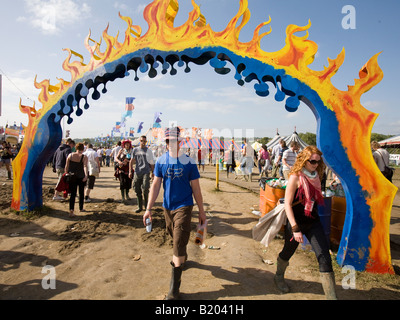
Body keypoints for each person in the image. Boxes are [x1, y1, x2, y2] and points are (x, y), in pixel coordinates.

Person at [143, 127, 207, 300]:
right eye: (168, 141)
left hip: (184, 206)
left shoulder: (190, 163)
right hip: (167, 207)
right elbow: (156, 185)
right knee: (174, 235)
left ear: (180, 142)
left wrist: (201, 211)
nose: (171, 144)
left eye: (174, 141)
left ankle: (173, 292)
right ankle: (183, 256)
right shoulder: (161, 161)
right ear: (165, 143)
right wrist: (148, 209)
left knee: (178, 241)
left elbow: (196, 188)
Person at [274, 145, 337, 299]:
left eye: (317, 161)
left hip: (313, 221)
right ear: (303, 160)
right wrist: (295, 229)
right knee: (288, 252)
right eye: (312, 161)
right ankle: (278, 276)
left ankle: (331, 297)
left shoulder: (318, 174)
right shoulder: (295, 177)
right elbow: (287, 204)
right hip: (296, 223)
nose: (315, 164)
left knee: (324, 257)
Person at [129, 135, 155, 213]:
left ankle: (147, 206)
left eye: (144, 141)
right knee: (137, 189)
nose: (143, 143)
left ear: (146, 142)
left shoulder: (149, 151)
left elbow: (151, 162)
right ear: (139, 141)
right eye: (141, 141)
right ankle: (139, 206)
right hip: (137, 172)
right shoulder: (135, 150)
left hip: (146, 172)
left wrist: (153, 173)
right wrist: (130, 171)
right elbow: (132, 161)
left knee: (145, 189)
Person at [65, 142, 88, 217]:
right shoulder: (84, 157)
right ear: (82, 149)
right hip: (81, 176)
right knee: (81, 193)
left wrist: (66, 173)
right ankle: (81, 208)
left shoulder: (70, 155)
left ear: (76, 148)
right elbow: (85, 166)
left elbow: (67, 166)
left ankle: (71, 210)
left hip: (72, 176)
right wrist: (86, 175)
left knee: (73, 194)